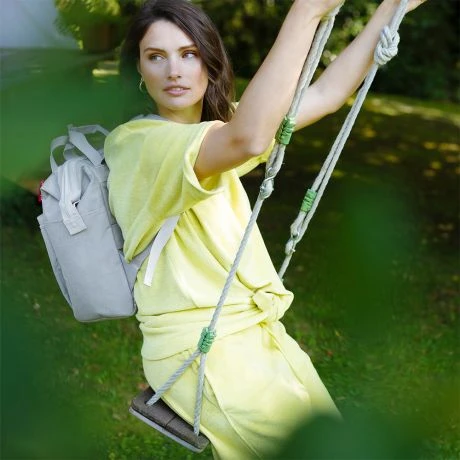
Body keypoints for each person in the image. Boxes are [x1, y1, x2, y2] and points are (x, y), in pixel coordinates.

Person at [105, 0, 427, 458]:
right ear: (138, 69)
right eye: (156, 56)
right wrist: (304, 12)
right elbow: (250, 137)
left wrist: (393, 8)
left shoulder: (214, 133)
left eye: (189, 54)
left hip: (255, 336)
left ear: (210, 62)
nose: (174, 70)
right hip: (205, 351)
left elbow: (324, 94)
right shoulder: (139, 144)